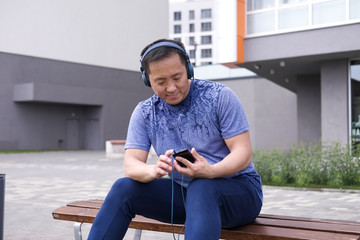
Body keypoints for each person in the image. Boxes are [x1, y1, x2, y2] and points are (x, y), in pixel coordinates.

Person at [87, 39, 263, 240]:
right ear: (147, 80)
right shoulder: (145, 112)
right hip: (187, 196)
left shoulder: (219, 96)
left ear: (188, 69)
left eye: (177, 77)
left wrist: (211, 171)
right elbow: (131, 164)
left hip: (240, 193)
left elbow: (243, 153)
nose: (171, 88)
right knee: (123, 187)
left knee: (201, 185)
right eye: (160, 82)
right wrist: (153, 171)